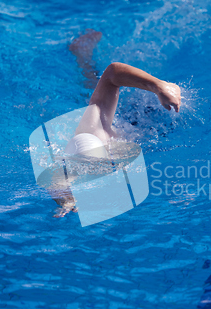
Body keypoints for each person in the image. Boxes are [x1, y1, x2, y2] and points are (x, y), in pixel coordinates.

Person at [50, 29, 181, 217]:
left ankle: (81, 53)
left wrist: (159, 87)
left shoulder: (93, 131)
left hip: (129, 118)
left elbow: (113, 72)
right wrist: (66, 201)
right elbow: (56, 181)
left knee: (92, 86)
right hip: (135, 131)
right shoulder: (76, 161)